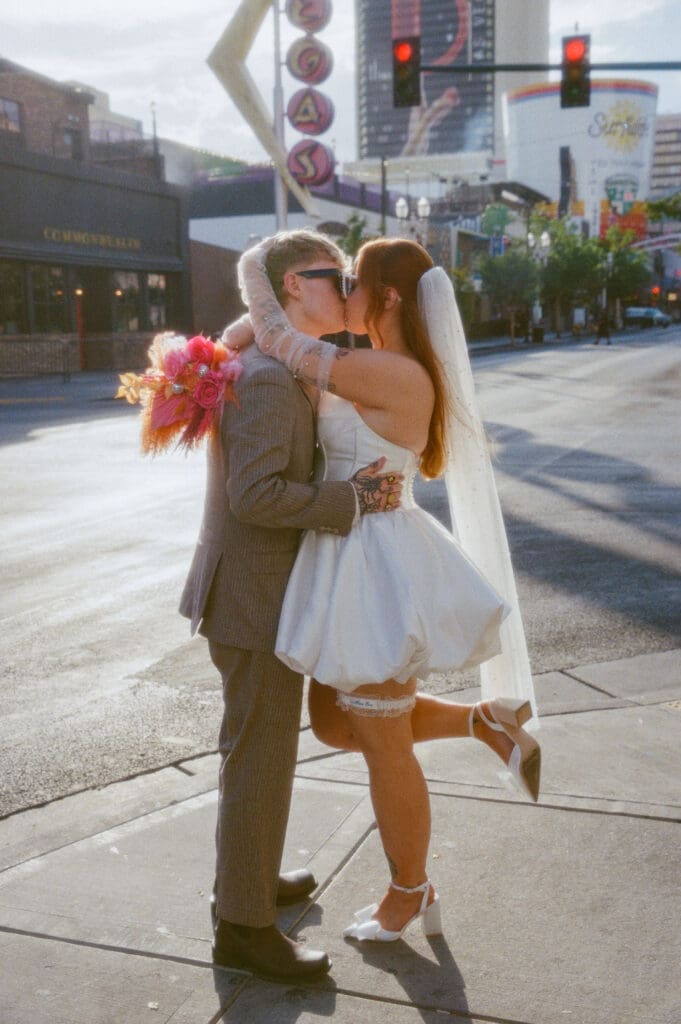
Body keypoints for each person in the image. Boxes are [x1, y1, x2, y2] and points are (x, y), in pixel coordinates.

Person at [232, 234, 541, 945]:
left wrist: (257, 266)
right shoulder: (366, 361)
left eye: (352, 280)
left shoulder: (390, 372)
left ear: (389, 297)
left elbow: (275, 337)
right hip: (343, 550)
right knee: (337, 725)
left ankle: (410, 890)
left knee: (380, 740)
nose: (344, 290)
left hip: (375, 563)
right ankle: (482, 722)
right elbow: (257, 337)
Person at [179, 230, 403, 981]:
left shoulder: (284, 365)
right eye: (330, 274)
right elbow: (256, 496)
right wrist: (355, 498)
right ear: (289, 288)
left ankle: (247, 878)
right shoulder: (272, 379)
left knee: (258, 755)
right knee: (260, 759)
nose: (344, 286)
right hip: (251, 598)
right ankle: (243, 928)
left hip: (256, 592)